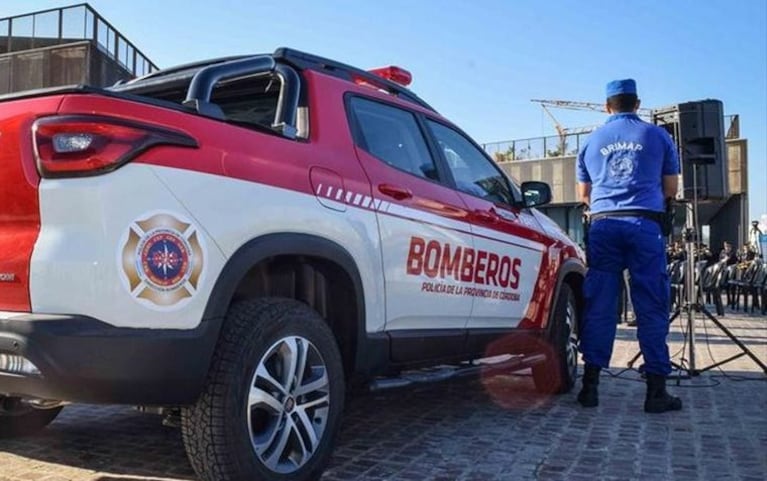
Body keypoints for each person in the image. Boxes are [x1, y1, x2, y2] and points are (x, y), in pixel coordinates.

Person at [575, 78, 682, 413]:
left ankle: (590, 386)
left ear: (608, 106)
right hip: (644, 224)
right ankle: (655, 391)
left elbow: (583, 196)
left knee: (600, 304)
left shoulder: (590, 142)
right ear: (637, 104)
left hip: (604, 225)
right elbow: (670, 188)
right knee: (650, 303)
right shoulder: (658, 135)